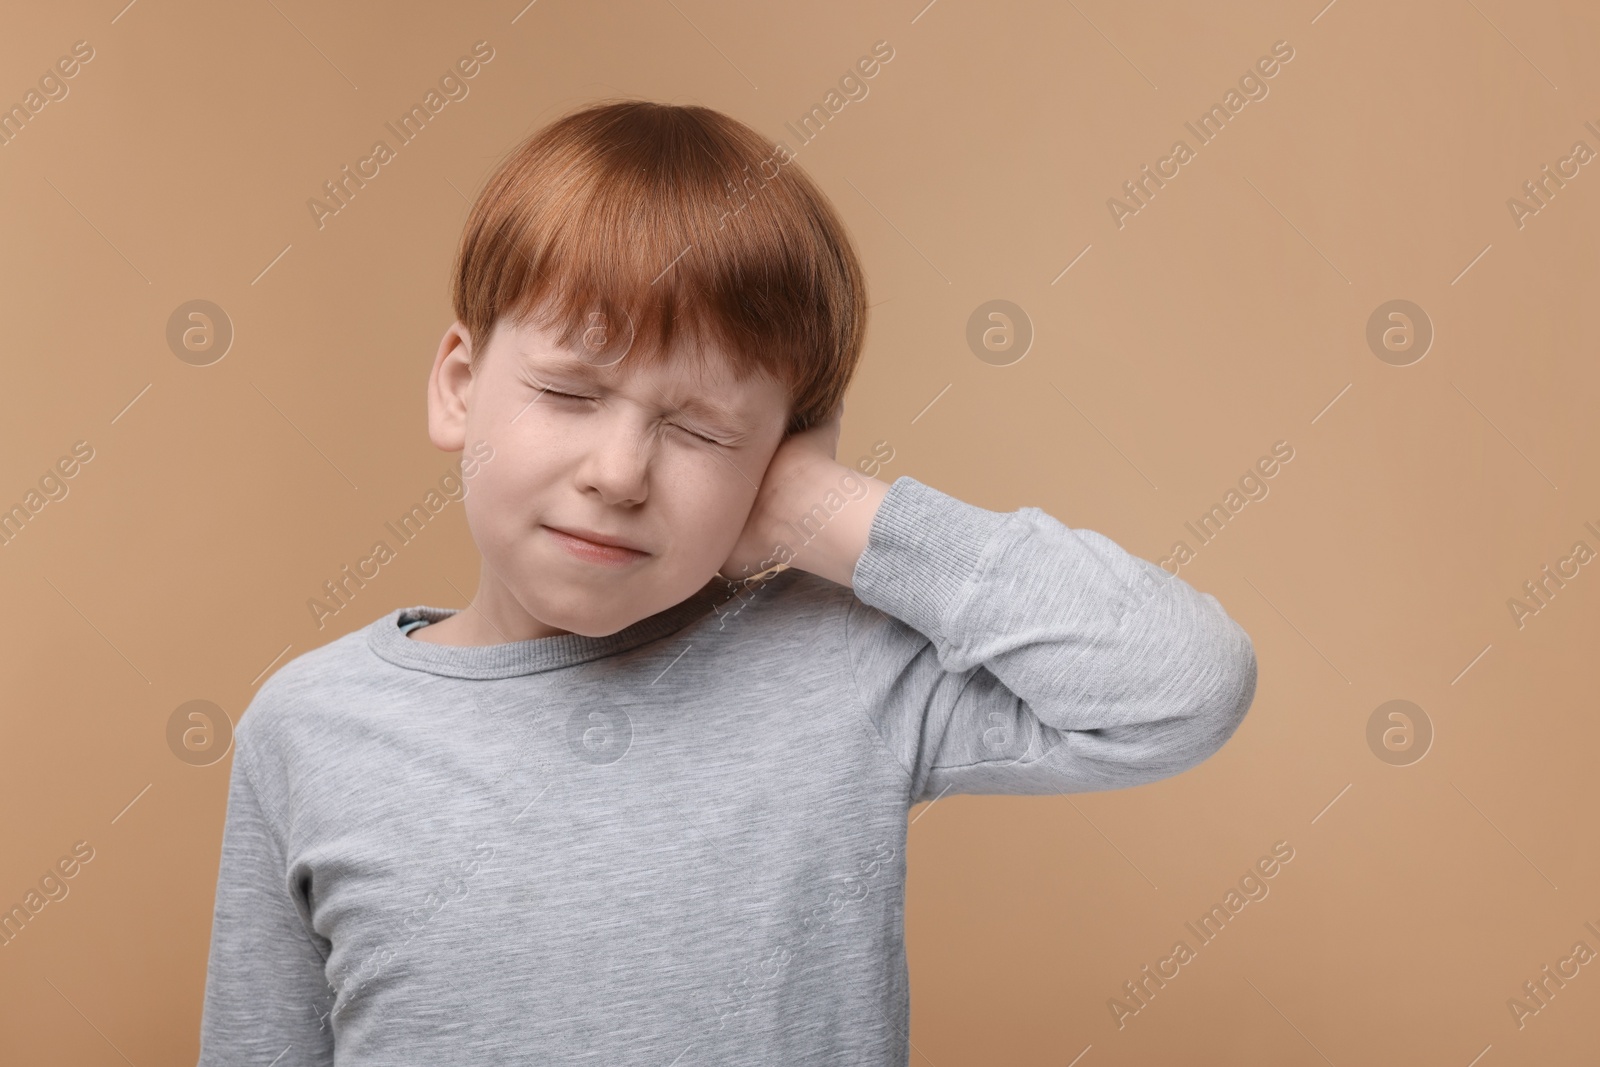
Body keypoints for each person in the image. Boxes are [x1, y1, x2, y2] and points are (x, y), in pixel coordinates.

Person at [196, 99, 1258, 1065]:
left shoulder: (838, 669)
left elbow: (1182, 683)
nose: (617, 472)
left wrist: (832, 512)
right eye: (569, 392)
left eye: (701, 429)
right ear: (460, 388)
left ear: (784, 458)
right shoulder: (311, 727)